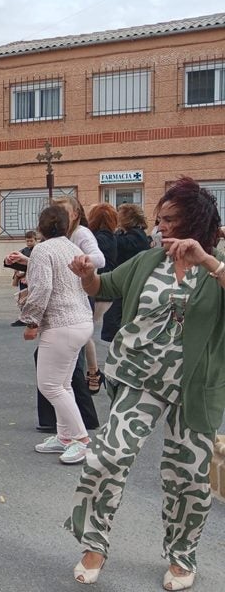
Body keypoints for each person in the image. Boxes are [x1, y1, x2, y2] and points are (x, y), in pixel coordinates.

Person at [65, 177, 225, 590]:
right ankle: (94, 543)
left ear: (195, 221)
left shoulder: (216, 266)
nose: (161, 227)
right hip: (141, 380)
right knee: (107, 457)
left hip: (195, 388)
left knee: (186, 477)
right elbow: (105, 285)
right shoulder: (149, 261)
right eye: (159, 220)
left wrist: (207, 260)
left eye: (170, 220)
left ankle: (181, 555)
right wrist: (86, 275)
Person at [20, 206, 95, 465]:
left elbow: (42, 288)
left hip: (61, 324)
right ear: (66, 226)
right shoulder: (73, 248)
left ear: (41, 227)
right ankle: (65, 436)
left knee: (50, 385)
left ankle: (81, 440)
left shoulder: (42, 250)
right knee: (62, 384)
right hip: (81, 320)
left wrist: (30, 321)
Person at [100, 204, 150, 342]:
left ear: (127, 218)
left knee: (116, 319)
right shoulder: (132, 234)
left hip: (130, 284)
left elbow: (119, 244)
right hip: (127, 283)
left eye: (119, 215)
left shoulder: (136, 236)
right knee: (115, 319)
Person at [83, 203, 118, 392]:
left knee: (85, 331)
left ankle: (93, 371)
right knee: (86, 330)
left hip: (98, 289)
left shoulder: (96, 239)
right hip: (107, 289)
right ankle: (93, 372)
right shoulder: (112, 237)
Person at [5, 230, 38, 326]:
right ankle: (24, 318)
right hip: (23, 279)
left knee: (33, 299)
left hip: (34, 279)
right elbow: (17, 263)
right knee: (22, 299)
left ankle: (33, 319)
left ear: (35, 240)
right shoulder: (23, 251)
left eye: (31, 241)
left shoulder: (38, 250)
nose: (29, 243)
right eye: (27, 241)